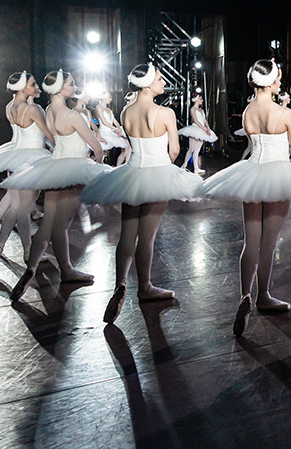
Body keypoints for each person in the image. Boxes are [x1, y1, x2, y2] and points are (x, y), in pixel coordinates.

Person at [199, 60, 291, 336]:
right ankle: (263, 294)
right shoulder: (283, 113)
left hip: (251, 173)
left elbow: (252, 146)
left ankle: (244, 296)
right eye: (279, 79)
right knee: (269, 242)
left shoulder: (248, 111)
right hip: (276, 176)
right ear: (273, 82)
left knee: (250, 241)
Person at [80, 64, 204, 323]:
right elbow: (173, 151)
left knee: (128, 234)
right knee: (146, 238)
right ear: (148, 84)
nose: (163, 82)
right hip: (157, 173)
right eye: (159, 78)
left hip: (132, 174)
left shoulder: (126, 111)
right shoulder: (165, 112)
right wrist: (166, 170)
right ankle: (145, 287)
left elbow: (130, 141)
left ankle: (120, 285)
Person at [3, 70, 111, 300]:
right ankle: (67, 270)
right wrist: (97, 169)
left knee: (49, 226)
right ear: (61, 88)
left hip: (54, 170)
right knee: (61, 225)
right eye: (71, 84)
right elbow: (97, 148)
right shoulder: (71, 115)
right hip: (73, 171)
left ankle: (34, 269)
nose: (74, 86)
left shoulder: (49, 111)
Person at [0, 71, 54, 271]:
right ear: (23, 88)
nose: (35, 87)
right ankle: (27, 252)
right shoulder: (31, 110)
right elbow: (48, 135)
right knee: (23, 209)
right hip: (33, 158)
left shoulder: (9, 107)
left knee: (15, 205)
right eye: (32, 84)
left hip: (15, 156)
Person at [178, 94, 217, 174]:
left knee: (196, 150)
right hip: (195, 129)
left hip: (202, 130)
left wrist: (208, 127)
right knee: (191, 149)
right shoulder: (193, 109)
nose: (202, 100)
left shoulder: (201, 110)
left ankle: (195, 168)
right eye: (200, 99)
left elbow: (204, 120)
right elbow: (195, 121)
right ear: (196, 100)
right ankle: (184, 165)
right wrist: (205, 129)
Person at [95, 91, 132, 166]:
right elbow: (104, 121)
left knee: (126, 147)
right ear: (103, 98)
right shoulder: (99, 108)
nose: (110, 99)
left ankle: (118, 166)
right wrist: (115, 129)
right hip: (103, 133)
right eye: (109, 97)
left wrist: (118, 128)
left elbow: (115, 121)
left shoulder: (109, 110)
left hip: (110, 132)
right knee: (102, 153)